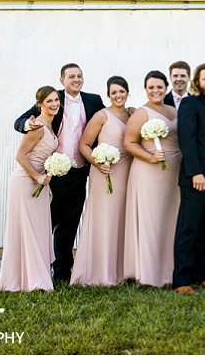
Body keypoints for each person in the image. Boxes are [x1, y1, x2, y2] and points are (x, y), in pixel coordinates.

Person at [13, 63, 105, 282]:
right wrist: (29, 124)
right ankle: (40, 270)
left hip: (80, 172)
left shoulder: (94, 100)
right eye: (71, 76)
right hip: (54, 173)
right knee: (47, 221)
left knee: (70, 223)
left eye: (80, 76)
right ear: (62, 80)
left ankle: (63, 272)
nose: (76, 79)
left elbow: (105, 123)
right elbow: (20, 121)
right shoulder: (54, 100)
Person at [70, 76, 133, 286]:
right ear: (108, 95)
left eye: (121, 91)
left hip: (127, 173)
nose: (118, 95)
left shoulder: (133, 114)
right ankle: (101, 272)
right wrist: (97, 163)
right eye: (114, 92)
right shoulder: (101, 116)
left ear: (127, 92)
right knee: (105, 218)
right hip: (104, 173)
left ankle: (122, 271)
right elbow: (84, 145)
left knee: (123, 219)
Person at [0, 86, 60, 292]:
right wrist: (37, 176)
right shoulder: (38, 127)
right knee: (28, 231)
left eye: (56, 100)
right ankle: (31, 281)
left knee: (38, 231)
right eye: (49, 101)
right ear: (39, 105)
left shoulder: (50, 126)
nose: (54, 104)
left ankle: (31, 277)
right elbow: (20, 155)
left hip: (40, 183)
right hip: (26, 181)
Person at [172, 63, 205, 294]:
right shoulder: (189, 103)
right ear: (197, 81)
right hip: (196, 177)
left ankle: (200, 274)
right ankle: (182, 280)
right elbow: (187, 139)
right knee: (189, 228)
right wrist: (196, 172)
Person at [123, 71, 181, 287]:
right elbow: (129, 143)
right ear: (145, 89)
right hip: (148, 173)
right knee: (150, 220)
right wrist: (150, 157)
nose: (156, 91)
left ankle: (168, 271)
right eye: (151, 87)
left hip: (173, 173)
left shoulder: (174, 110)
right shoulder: (141, 113)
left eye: (159, 87)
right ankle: (147, 275)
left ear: (166, 88)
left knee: (169, 220)